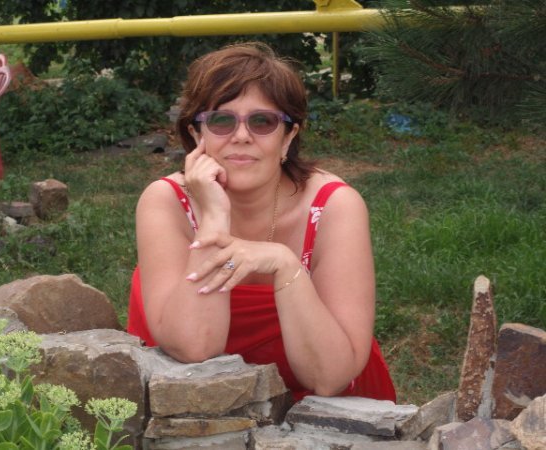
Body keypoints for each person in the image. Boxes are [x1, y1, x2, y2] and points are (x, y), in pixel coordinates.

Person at [127, 42, 395, 402]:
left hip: (323, 413)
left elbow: (329, 378)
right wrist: (214, 218)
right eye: (221, 121)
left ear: (288, 137)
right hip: (196, 412)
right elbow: (195, 348)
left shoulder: (334, 207)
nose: (241, 136)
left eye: (262, 121)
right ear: (197, 135)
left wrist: (285, 265)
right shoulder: (165, 202)